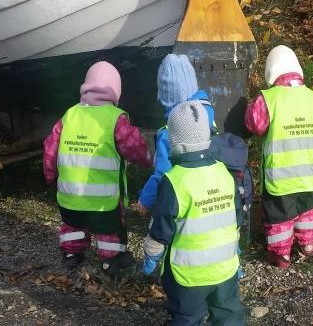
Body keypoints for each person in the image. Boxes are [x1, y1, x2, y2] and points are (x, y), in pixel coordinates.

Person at [43, 61, 152, 275]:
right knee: (109, 229)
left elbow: (50, 149)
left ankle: (72, 255)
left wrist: (49, 175)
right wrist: (148, 160)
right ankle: (111, 261)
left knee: (72, 225)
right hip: (104, 201)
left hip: (70, 194)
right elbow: (133, 146)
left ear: (86, 86)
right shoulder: (115, 118)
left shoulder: (69, 115)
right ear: (115, 90)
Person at [143, 101, 245, 326]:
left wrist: (152, 253)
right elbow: (236, 218)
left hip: (189, 276)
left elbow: (162, 228)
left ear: (174, 141)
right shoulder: (224, 172)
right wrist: (236, 248)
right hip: (225, 267)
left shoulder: (174, 180)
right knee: (228, 314)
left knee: (187, 318)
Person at [245, 45, 313, 269]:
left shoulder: (269, 98)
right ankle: (307, 245)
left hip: (283, 174)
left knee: (280, 215)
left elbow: (255, 125)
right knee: (306, 208)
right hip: (312, 172)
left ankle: (281, 254)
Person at [136, 54, 215, 216]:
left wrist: (145, 200)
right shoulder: (207, 112)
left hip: (183, 197)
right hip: (210, 191)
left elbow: (162, 173)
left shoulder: (170, 131)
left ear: (165, 95)